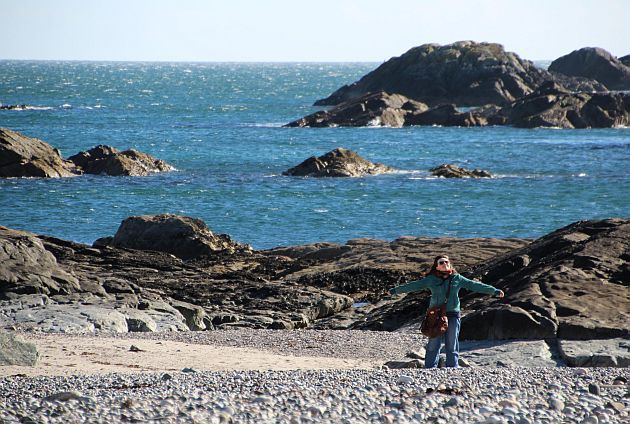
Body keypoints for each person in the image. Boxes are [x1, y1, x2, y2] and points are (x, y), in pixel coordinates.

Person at [387, 254, 504, 368]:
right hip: (435, 315)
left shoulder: (457, 278)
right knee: (433, 343)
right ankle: (429, 368)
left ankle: (452, 367)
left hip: (453, 314)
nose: (444, 264)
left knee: (452, 342)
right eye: (441, 263)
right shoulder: (431, 279)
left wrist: (494, 291)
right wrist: (394, 291)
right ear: (436, 266)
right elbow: (413, 286)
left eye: (446, 262)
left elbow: (475, 285)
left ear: (450, 264)